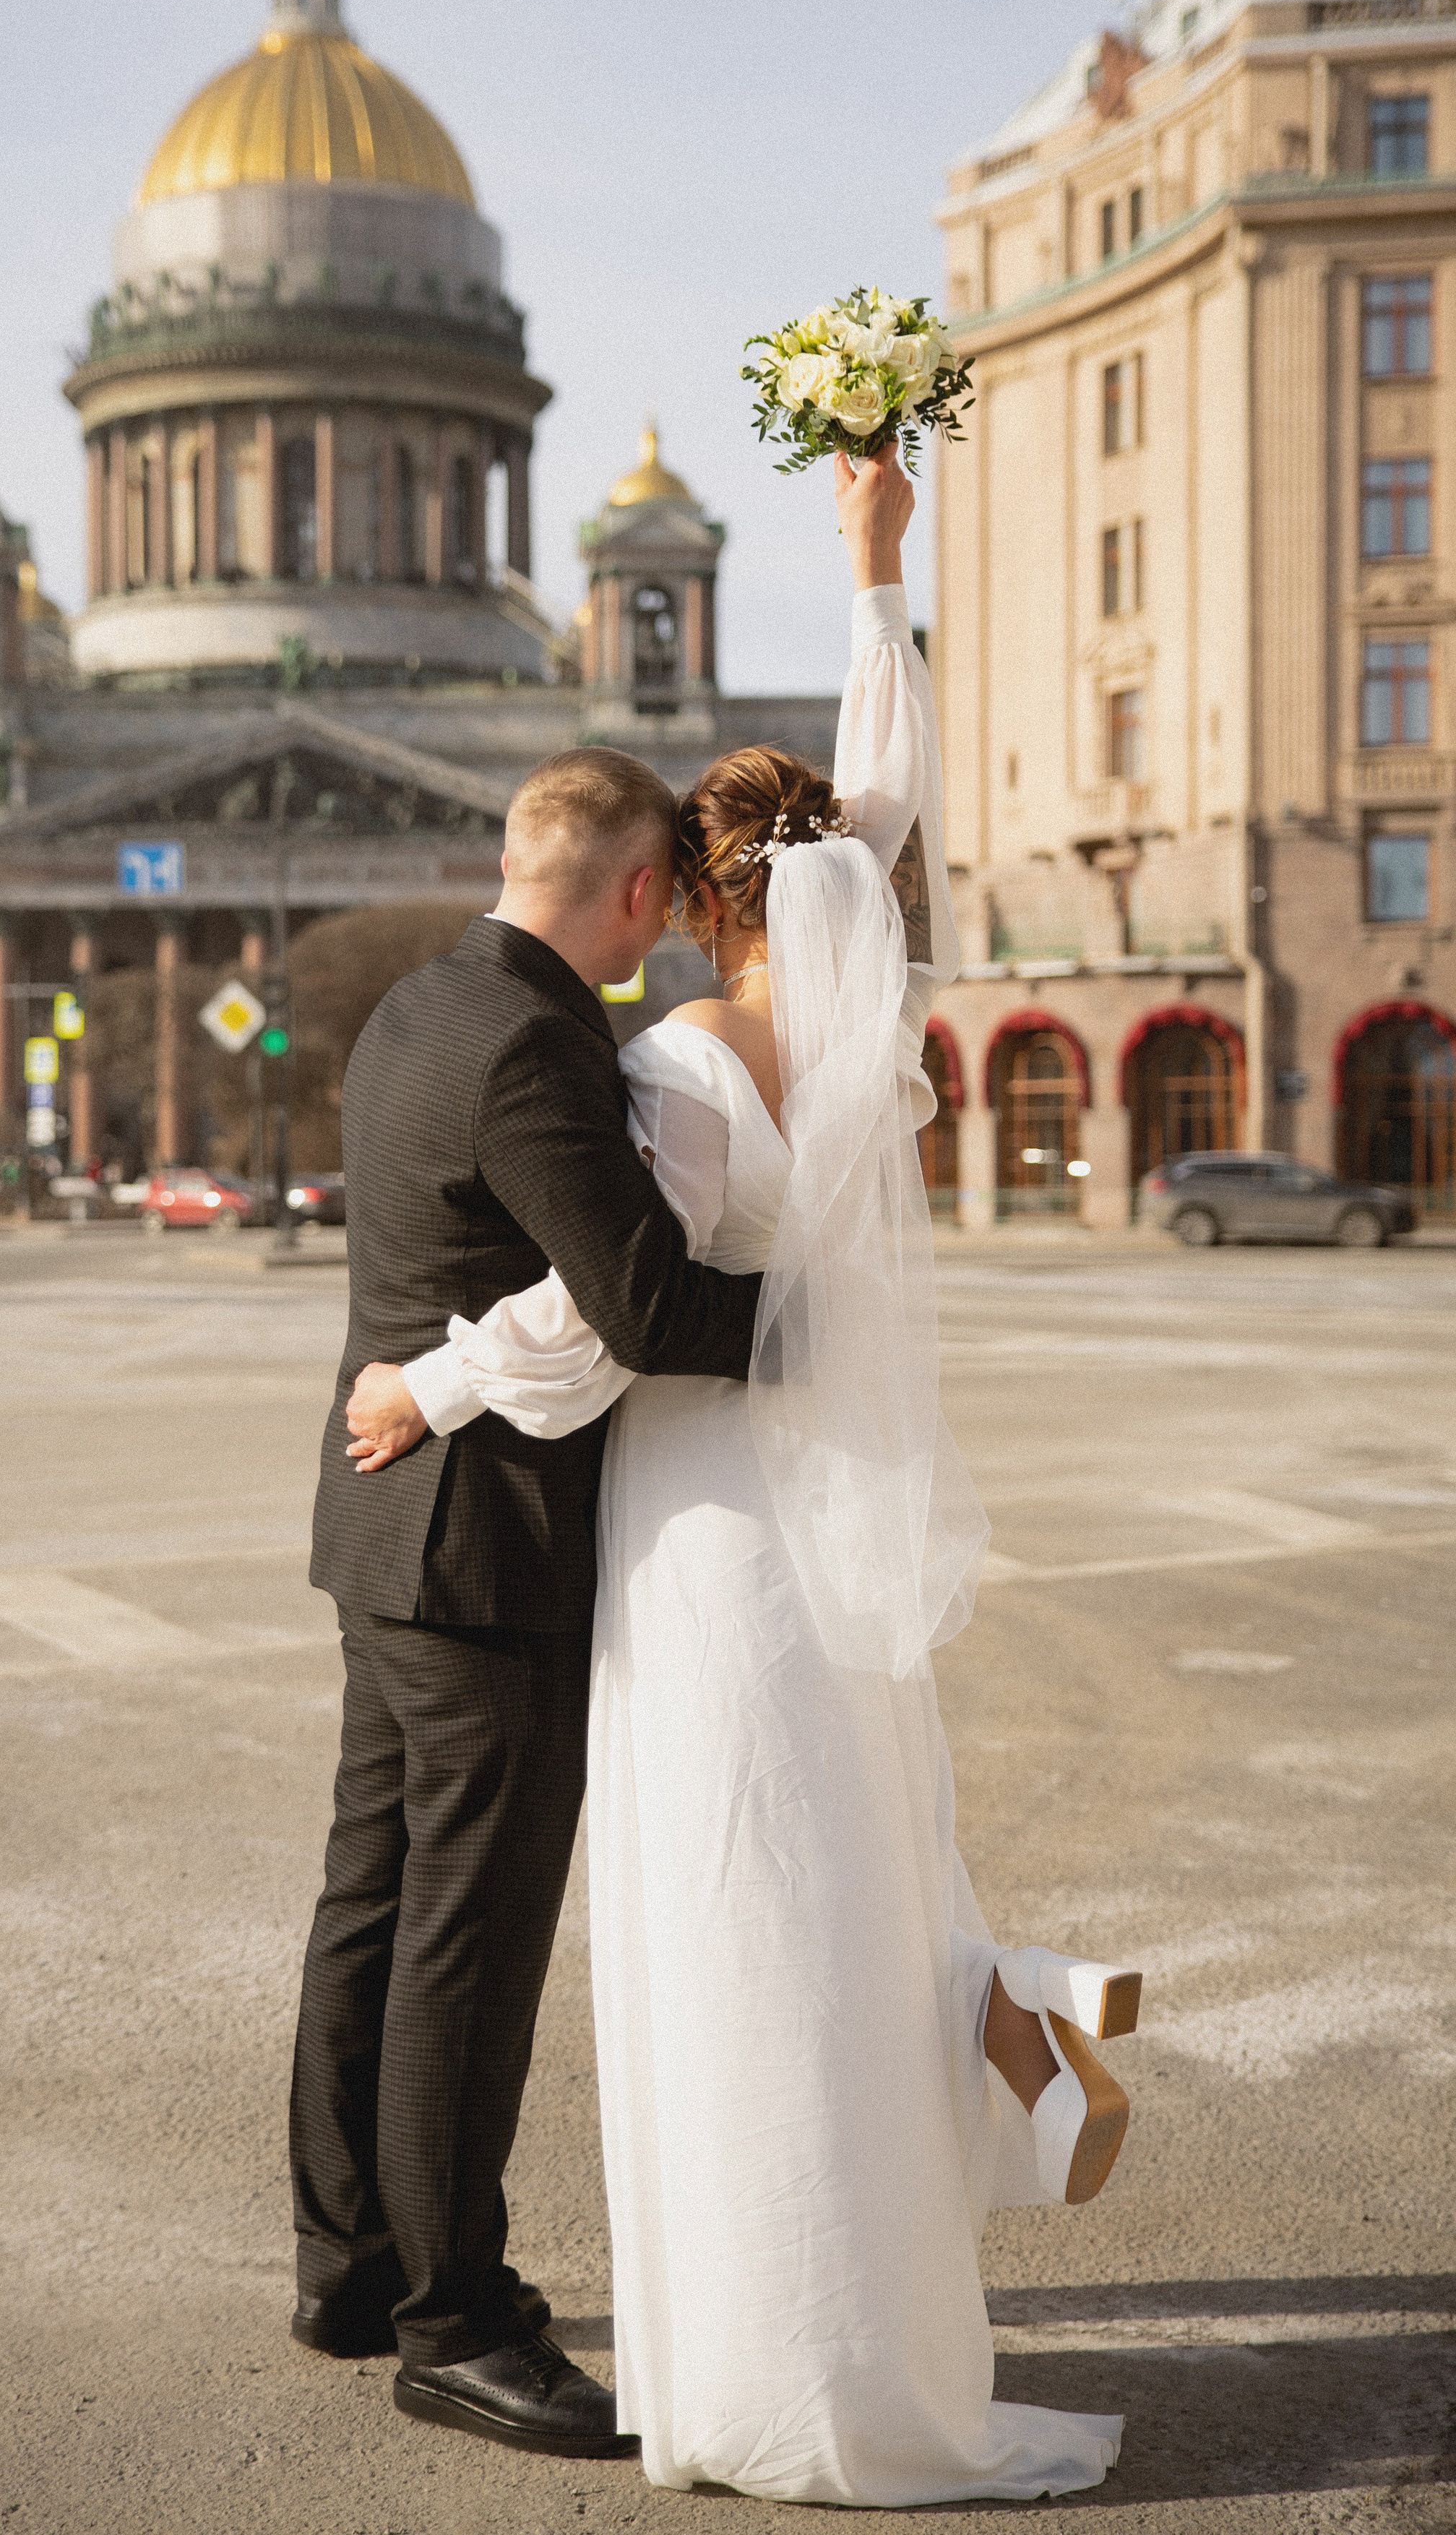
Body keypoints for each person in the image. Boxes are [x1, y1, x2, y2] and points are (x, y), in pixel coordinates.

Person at [343, 447, 1134, 2506]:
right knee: (845, 1904)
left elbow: (606, 1311)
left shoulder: (680, 1065)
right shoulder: (876, 1032)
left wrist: (425, 1379)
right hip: (829, 1529)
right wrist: (880, 573)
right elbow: (886, 809)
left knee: (725, 1913)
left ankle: (751, 2345)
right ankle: (863, 2308)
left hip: (694, 1526)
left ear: (688, 899)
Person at [293, 745, 764, 2459]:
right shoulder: (537, 1041)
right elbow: (642, 1301)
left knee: (373, 1897)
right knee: (464, 1939)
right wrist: (821, 1314)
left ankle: (347, 2266)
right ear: (639, 893)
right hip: (480, 1549)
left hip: (381, 1528)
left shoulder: (416, 1002)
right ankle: (453, 2320)